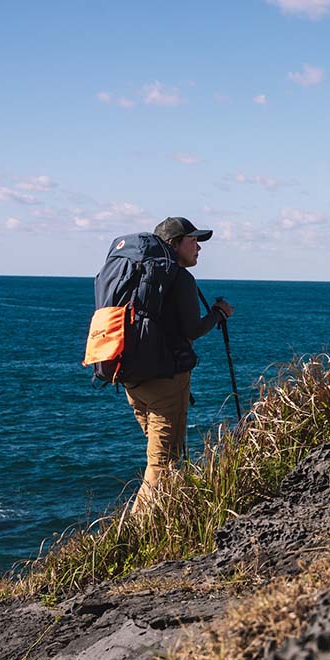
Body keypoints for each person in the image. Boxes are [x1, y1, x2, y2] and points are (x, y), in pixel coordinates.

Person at [125, 216, 235, 513]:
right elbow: (191, 330)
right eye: (193, 241)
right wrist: (219, 314)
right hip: (166, 380)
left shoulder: (136, 272)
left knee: (160, 453)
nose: (198, 247)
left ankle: (166, 515)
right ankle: (137, 533)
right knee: (163, 461)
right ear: (174, 244)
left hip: (133, 377)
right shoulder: (180, 278)